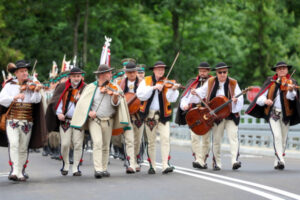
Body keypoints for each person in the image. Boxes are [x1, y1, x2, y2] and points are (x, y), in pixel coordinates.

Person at [71, 64, 131, 179]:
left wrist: (115, 96)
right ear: (102, 75)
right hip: (95, 120)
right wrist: (89, 113)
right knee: (97, 143)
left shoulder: (115, 87)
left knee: (106, 145)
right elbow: (82, 104)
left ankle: (104, 168)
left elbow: (116, 104)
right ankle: (97, 169)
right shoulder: (90, 87)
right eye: (109, 73)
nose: (111, 75)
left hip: (109, 120)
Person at [185, 62, 243, 170]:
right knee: (216, 140)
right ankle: (217, 163)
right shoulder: (210, 82)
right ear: (216, 73)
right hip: (216, 116)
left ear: (227, 72)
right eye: (220, 72)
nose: (222, 74)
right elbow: (201, 92)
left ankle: (234, 160)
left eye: (224, 72)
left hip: (231, 115)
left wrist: (235, 100)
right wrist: (194, 92)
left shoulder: (233, 83)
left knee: (233, 137)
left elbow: (240, 99)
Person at [246, 61, 300, 170]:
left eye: (284, 68)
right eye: (279, 69)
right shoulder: (271, 81)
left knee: (283, 139)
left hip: (286, 115)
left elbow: (292, 98)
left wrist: (291, 90)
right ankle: (281, 159)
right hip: (273, 114)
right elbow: (260, 97)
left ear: (287, 70)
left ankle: (277, 160)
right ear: (276, 71)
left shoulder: (292, 82)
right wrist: (266, 101)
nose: (281, 70)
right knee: (277, 136)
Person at [0, 60, 47, 181]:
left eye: (26, 71)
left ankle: (20, 171)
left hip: (27, 121)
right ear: (16, 73)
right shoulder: (10, 85)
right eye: (22, 71)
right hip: (12, 120)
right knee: (14, 144)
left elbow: (36, 101)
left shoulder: (33, 84)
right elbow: (2, 99)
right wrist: (13, 97)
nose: (25, 73)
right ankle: (15, 171)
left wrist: (36, 91)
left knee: (23, 147)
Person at [137, 61, 179, 174]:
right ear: (154, 70)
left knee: (165, 139)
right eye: (158, 69)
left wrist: (174, 90)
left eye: (163, 69)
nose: (161, 71)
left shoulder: (168, 82)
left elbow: (171, 99)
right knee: (151, 141)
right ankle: (153, 165)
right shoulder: (146, 81)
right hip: (150, 115)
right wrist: (154, 87)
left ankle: (165, 164)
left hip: (163, 114)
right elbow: (140, 95)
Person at [46, 67, 86, 176]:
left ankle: (76, 167)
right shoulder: (62, 86)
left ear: (81, 77)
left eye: (78, 76)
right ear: (70, 77)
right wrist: (59, 113)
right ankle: (66, 164)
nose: (76, 78)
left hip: (79, 121)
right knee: (65, 144)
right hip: (66, 121)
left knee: (78, 144)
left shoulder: (85, 88)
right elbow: (57, 101)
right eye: (74, 76)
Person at [176, 62, 212, 169]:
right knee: (194, 137)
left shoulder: (212, 82)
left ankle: (202, 159)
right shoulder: (192, 82)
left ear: (208, 71)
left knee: (205, 138)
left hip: (206, 113)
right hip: (194, 113)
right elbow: (185, 97)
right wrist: (184, 106)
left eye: (204, 71)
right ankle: (197, 159)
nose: (202, 73)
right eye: (200, 71)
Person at [117, 62, 144, 172]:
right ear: (126, 73)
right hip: (126, 115)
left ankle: (136, 161)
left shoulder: (143, 84)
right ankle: (131, 163)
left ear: (136, 72)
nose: (132, 74)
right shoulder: (120, 84)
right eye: (129, 72)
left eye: (133, 72)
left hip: (138, 115)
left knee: (137, 140)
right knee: (129, 140)